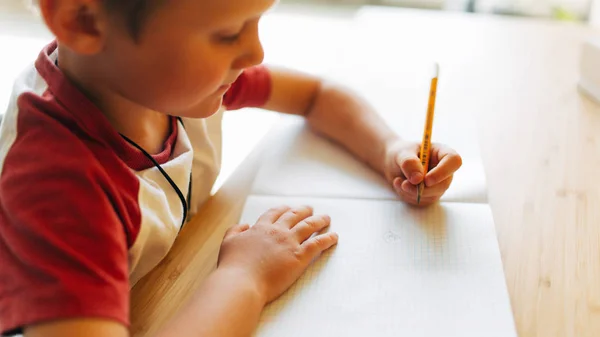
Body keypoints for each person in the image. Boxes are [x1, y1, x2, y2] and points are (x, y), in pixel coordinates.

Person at [0, 0, 463, 336]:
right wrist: (246, 277)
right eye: (228, 33)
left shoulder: (152, 80)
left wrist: (390, 148)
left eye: (257, 22)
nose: (255, 53)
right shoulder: (59, 186)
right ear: (82, 20)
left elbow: (315, 94)